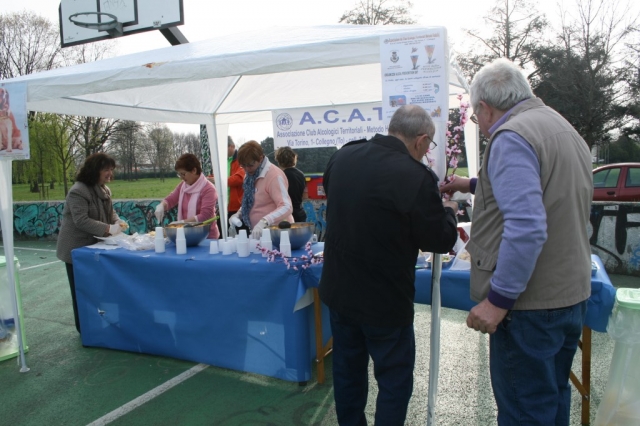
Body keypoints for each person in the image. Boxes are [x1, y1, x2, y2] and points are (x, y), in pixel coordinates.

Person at [440, 58, 593, 425]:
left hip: (529, 305)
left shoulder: (511, 137)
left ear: (485, 108)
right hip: (569, 293)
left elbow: (526, 226)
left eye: (478, 119)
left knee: (525, 410)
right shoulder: (559, 126)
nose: (483, 126)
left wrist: (498, 301)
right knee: (553, 397)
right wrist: (469, 184)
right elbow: (540, 184)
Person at [319, 105, 459, 426]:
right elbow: (439, 240)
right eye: (429, 146)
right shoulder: (415, 176)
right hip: (384, 300)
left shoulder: (343, 157)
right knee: (394, 381)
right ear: (422, 141)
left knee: (347, 374)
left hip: (340, 291)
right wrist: (449, 210)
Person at [56, 153, 127, 333]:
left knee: (100, 290)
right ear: (95, 170)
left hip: (96, 248)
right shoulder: (78, 191)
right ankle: (84, 329)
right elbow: (81, 220)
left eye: (112, 170)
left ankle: (102, 324)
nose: (110, 174)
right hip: (76, 250)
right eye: (106, 170)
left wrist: (118, 222)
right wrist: (108, 229)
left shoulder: (104, 190)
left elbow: (111, 214)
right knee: (81, 291)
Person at [228, 140, 293, 240]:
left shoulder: (274, 176)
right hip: (259, 234)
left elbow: (286, 206)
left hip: (279, 234)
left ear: (260, 158)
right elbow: (250, 201)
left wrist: (265, 221)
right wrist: (239, 214)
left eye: (250, 165)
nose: (246, 169)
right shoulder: (249, 176)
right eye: (243, 165)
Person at [155, 153, 220, 240]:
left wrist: (181, 223)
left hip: (206, 237)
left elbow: (205, 215)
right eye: (179, 175)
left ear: (194, 170)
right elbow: (171, 199)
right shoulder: (183, 186)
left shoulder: (208, 189)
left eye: (183, 174)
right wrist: (162, 205)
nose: (181, 178)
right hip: (187, 235)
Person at [275, 146, 307, 223]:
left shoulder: (281, 176)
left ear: (278, 160)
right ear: (294, 158)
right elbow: (305, 196)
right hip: (300, 213)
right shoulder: (301, 174)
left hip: (287, 216)